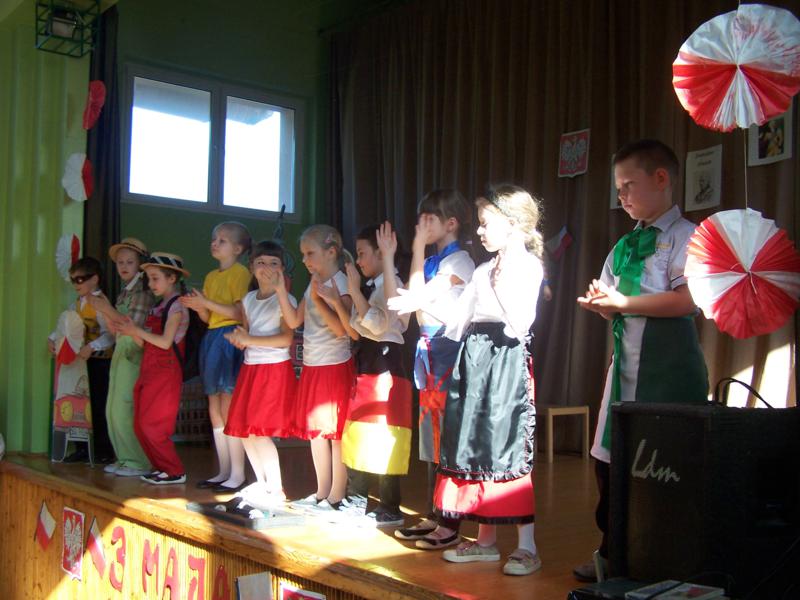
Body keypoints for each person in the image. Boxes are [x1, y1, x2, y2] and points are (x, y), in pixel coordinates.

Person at [390, 184, 545, 577]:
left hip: (506, 359)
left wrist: (495, 282)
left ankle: (527, 546)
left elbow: (520, 323)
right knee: (475, 446)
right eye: (479, 223)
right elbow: (458, 322)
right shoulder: (481, 270)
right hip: (473, 359)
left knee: (507, 446)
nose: (480, 231)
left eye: (486, 223)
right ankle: (485, 542)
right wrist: (418, 302)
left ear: (513, 225)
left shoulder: (528, 267)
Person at [574, 139, 709, 581]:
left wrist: (623, 303)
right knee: (609, 463)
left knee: (664, 466)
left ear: (661, 178)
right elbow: (614, 297)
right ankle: (612, 553)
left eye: (629, 185)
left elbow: (687, 300)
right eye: (618, 189)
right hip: (625, 371)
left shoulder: (688, 237)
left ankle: (663, 558)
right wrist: (603, 304)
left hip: (669, 373)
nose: (623, 196)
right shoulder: (625, 244)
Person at [393, 189, 475, 549]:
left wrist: (415, 249)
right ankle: (434, 512)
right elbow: (413, 303)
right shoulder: (430, 261)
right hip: (428, 350)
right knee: (431, 439)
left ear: (451, 223)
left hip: (449, 351)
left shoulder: (460, 261)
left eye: (429, 218)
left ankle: (450, 521)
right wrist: (416, 249)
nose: (421, 224)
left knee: (448, 439)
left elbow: (418, 297)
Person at [317, 222, 412, 527]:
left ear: (381, 252)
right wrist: (338, 300)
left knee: (385, 436)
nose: (357, 261)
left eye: (361, 253)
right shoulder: (373, 286)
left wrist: (355, 291)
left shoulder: (393, 284)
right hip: (369, 366)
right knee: (358, 433)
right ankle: (356, 500)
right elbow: (357, 328)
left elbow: (378, 325)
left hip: (387, 367)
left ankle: (389, 507)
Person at [276, 225, 354, 514]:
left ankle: (336, 495)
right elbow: (295, 321)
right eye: (303, 254)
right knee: (317, 433)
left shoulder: (341, 283)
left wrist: (320, 299)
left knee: (335, 434)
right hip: (313, 365)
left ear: (331, 252)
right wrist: (281, 290)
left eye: (310, 253)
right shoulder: (314, 283)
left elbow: (341, 329)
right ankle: (322, 492)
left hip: (334, 365)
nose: (305, 259)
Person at [222, 241, 298, 511]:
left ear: (282, 269)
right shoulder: (248, 300)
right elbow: (247, 333)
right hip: (251, 368)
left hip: (273, 369)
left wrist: (249, 339)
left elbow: (286, 338)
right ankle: (262, 483)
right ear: (252, 267)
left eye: (273, 263)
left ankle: (276, 489)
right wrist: (240, 339)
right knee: (244, 430)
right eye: (261, 262)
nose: (267, 268)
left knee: (260, 431)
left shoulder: (286, 300)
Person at [181, 222, 252, 493]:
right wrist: (198, 307)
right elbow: (208, 317)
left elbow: (238, 313)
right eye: (214, 239)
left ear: (238, 249)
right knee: (213, 404)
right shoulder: (211, 277)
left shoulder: (241, 273)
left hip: (230, 337)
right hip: (212, 337)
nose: (215, 243)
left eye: (222, 240)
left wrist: (206, 303)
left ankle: (237, 473)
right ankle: (223, 470)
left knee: (227, 404)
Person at [117, 252, 192, 485]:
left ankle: (174, 470)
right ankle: (161, 467)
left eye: (155, 278)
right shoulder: (158, 306)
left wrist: (137, 331)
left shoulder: (176, 306)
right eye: (149, 278)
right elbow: (146, 343)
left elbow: (166, 342)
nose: (151, 284)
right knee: (140, 424)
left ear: (172, 278)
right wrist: (130, 330)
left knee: (154, 425)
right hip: (150, 369)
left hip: (166, 372)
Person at [88, 238, 155, 477]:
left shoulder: (143, 292)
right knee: (111, 407)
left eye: (129, 262)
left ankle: (137, 461)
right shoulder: (125, 291)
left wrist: (106, 308)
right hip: (120, 348)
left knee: (125, 406)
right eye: (120, 262)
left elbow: (131, 325)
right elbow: (115, 327)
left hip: (133, 351)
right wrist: (105, 309)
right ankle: (123, 457)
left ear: (140, 265)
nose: (124, 266)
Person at [48, 257, 115, 463]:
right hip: (80, 363)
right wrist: (52, 339)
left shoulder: (101, 303)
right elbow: (67, 325)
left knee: (98, 405)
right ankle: (83, 448)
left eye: (80, 279)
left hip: (99, 362)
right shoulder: (76, 303)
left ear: (94, 279)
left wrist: (92, 346)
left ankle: (103, 451)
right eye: (73, 280)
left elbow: (111, 335)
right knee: (79, 404)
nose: (76, 284)